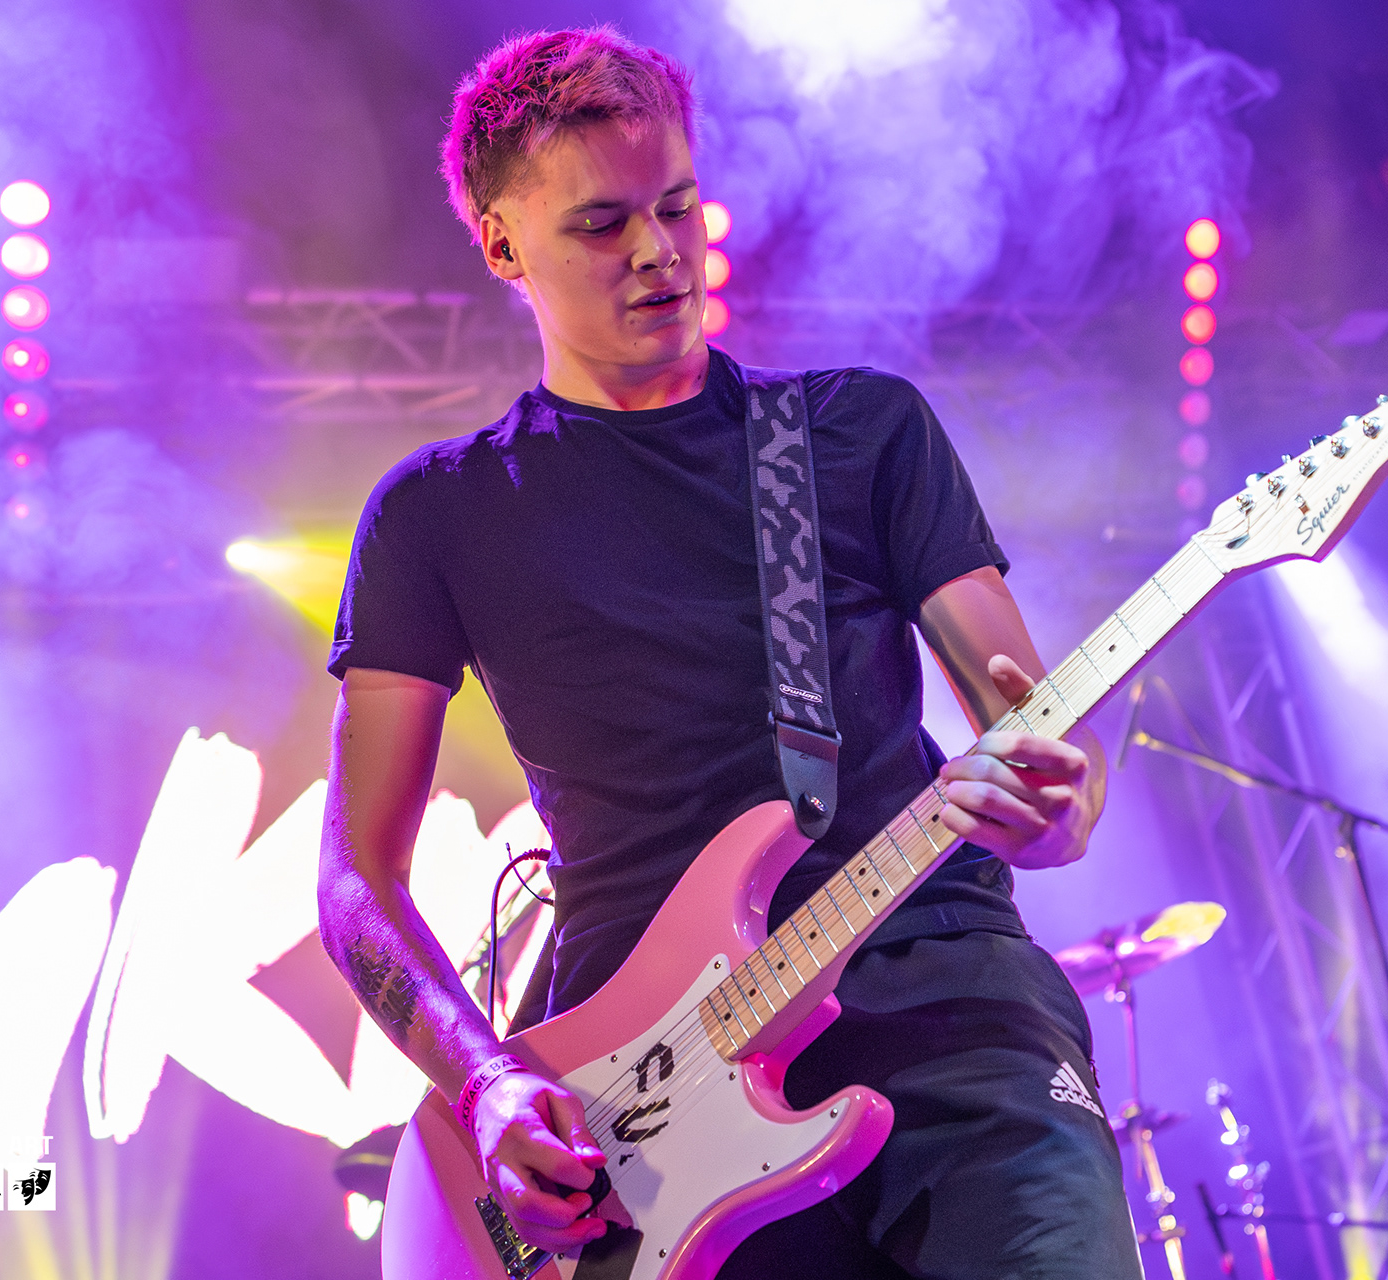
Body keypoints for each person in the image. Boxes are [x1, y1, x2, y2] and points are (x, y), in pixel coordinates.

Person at [318, 25, 1142, 1279]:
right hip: (650, 1101)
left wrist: (1059, 801)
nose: (658, 250)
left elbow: (1037, 739)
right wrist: (485, 1082)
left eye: (676, 206)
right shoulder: (437, 515)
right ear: (501, 244)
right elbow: (356, 882)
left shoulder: (861, 430)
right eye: (602, 224)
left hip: (950, 1001)